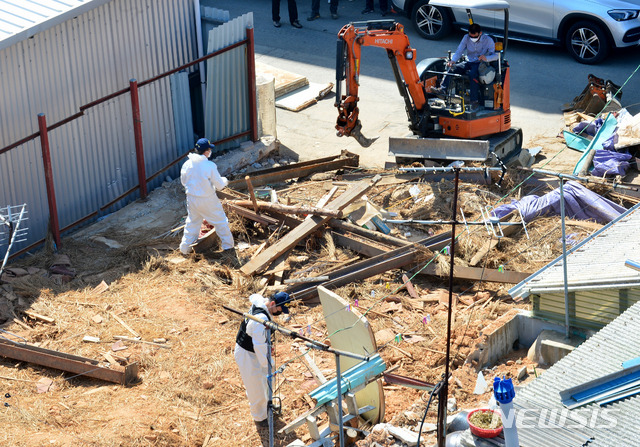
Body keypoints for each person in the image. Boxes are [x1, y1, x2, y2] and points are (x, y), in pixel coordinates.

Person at [234, 292, 291, 426]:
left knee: (264, 382)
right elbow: (259, 347)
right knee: (256, 388)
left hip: (253, 351)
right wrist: (268, 363)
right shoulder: (259, 319)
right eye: (279, 310)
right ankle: (260, 418)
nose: (279, 313)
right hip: (247, 354)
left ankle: (266, 407)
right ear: (272, 304)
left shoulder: (261, 303)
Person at [179, 138, 234, 256]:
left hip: (191, 199)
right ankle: (228, 247)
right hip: (207, 199)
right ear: (206, 151)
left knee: (192, 223)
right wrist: (225, 180)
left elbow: (184, 182)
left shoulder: (187, 164)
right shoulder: (209, 165)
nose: (210, 152)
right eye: (209, 149)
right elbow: (219, 186)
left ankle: (184, 249)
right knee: (221, 222)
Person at [434, 23, 498, 109]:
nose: (472, 39)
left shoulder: (488, 40)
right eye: (471, 37)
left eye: (475, 37)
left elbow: (495, 55)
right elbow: (459, 50)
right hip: (468, 61)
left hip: (480, 63)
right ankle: (443, 89)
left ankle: (474, 100)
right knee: (453, 69)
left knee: (473, 74)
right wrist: (452, 61)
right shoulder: (466, 37)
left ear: (480, 33)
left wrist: (486, 58)